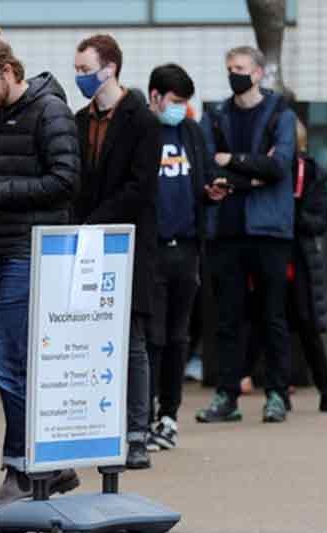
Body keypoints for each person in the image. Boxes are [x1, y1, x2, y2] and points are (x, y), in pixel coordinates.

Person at [0, 26, 82, 511]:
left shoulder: (50, 111)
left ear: (9, 72)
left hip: (34, 253)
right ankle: (47, 463)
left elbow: (66, 181)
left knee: (9, 362)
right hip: (2, 250)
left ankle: (23, 468)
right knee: (14, 362)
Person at [196, 45, 298, 424]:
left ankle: (276, 393)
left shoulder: (281, 115)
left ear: (257, 73)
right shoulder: (217, 115)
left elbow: (279, 166)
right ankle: (227, 395)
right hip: (227, 229)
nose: (232, 74)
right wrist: (249, 175)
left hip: (269, 230)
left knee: (272, 314)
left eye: (239, 68)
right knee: (227, 318)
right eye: (229, 68)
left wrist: (232, 162)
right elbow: (208, 164)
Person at [73, 34, 161, 469]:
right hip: (87, 245)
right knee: (92, 337)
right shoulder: (78, 121)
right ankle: (98, 426)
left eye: (85, 69)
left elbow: (140, 187)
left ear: (110, 69)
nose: (79, 77)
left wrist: (94, 222)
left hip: (127, 242)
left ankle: (137, 432)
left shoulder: (142, 121)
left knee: (131, 339)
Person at [144, 63, 211, 452]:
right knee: (151, 337)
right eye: (175, 101)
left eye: (186, 102)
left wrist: (210, 192)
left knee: (177, 336)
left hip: (186, 249)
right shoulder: (143, 131)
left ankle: (168, 415)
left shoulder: (191, 132)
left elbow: (198, 181)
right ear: (156, 96)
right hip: (151, 250)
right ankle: (145, 413)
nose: (181, 108)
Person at [286, 122, 327, 412]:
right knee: (269, 326)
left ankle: (326, 391)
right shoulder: (268, 171)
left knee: (308, 327)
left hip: (301, 259)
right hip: (271, 255)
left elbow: (321, 222)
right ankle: (276, 391)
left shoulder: (312, 176)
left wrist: (297, 218)